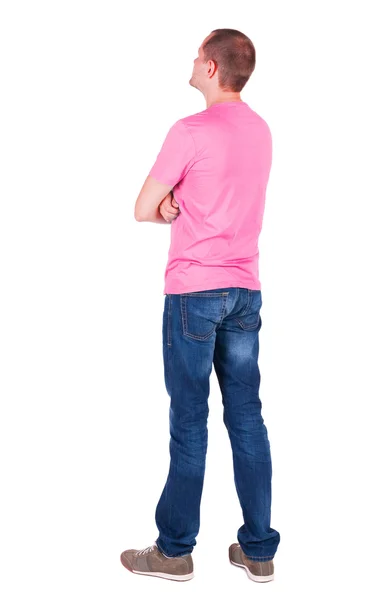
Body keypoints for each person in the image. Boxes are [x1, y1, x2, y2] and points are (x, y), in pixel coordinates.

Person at [120, 28, 281, 583]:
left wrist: (168, 204)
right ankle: (258, 551)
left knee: (189, 422)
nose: (191, 62)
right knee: (247, 419)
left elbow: (142, 207)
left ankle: (174, 551)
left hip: (193, 293)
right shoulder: (261, 132)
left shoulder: (189, 131)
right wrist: (177, 203)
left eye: (197, 56)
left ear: (212, 68)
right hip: (246, 291)